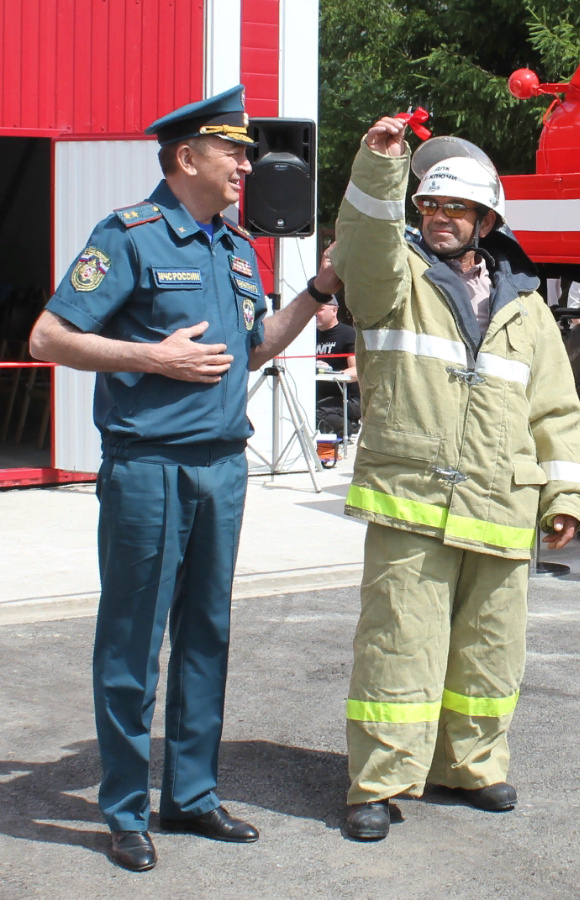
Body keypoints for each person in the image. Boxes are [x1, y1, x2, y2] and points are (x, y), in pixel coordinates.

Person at [27, 85, 339, 872]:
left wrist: (314, 294)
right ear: (185, 157)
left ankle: (192, 797)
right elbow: (47, 336)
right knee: (133, 645)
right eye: (232, 149)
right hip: (148, 469)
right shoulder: (129, 236)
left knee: (207, 638)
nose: (246, 162)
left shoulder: (234, 249)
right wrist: (151, 356)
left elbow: (254, 346)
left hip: (220, 471)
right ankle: (125, 809)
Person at [331, 117, 580, 841]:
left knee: (490, 649)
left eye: (454, 209)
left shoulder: (529, 309)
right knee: (398, 645)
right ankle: (377, 783)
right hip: (412, 497)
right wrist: (384, 168)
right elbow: (364, 244)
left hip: (501, 505)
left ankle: (471, 767)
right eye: (428, 207)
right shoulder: (394, 279)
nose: (438, 219)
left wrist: (565, 494)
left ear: (486, 220)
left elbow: (556, 410)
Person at [313, 295, 360, 436]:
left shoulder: (348, 334)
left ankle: (346, 426)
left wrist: (328, 372)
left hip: (347, 398)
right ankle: (344, 424)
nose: (315, 314)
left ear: (334, 310)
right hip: (317, 396)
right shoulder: (309, 335)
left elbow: (357, 371)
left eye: (320, 309)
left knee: (315, 413)